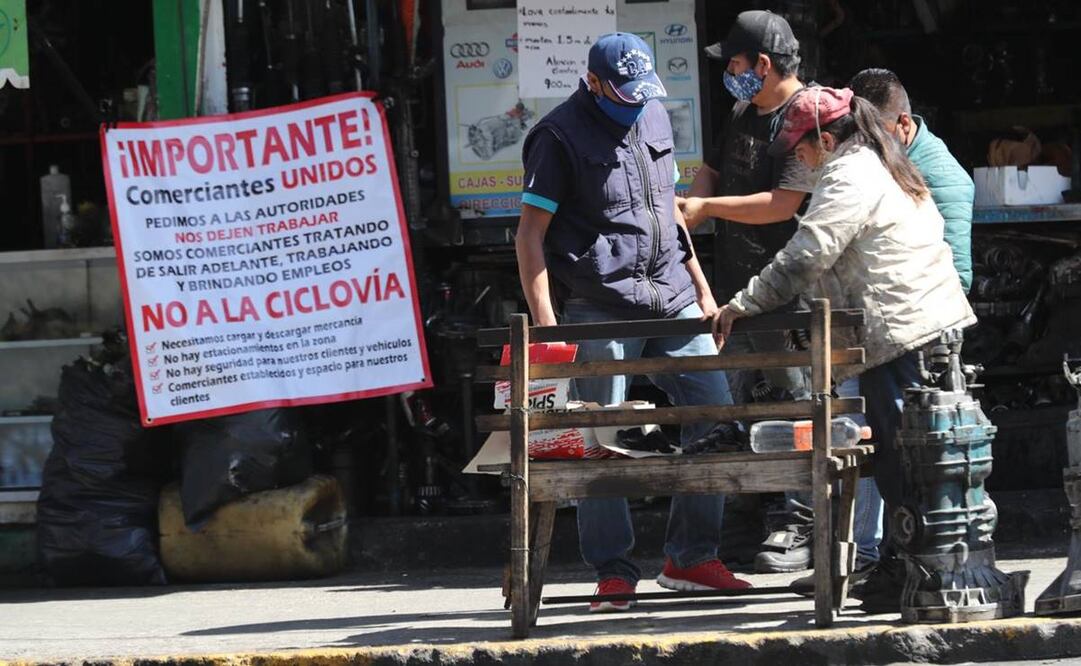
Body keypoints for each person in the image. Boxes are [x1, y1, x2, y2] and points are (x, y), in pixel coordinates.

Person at [710, 86, 976, 610]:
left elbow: (808, 254)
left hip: (903, 335)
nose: (800, 163)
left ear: (825, 140)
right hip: (920, 326)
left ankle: (918, 575)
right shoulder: (883, 163)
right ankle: (905, 571)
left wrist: (742, 303)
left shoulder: (848, 173)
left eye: (801, 152)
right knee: (912, 460)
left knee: (905, 464)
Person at [514, 32, 751, 613]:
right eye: (623, 95)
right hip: (600, 305)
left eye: (642, 94)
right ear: (593, 82)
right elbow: (529, 237)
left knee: (715, 416)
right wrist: (549, 331)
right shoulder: (556, 137)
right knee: (602, 438)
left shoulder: (654, 119)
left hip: (672, 298)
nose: (634, 105)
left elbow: (669, 214)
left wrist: (704, 293)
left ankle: (691, 558)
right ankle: (613, 572)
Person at [680, 9, 819, 574]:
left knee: (794, 409)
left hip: (789, 297)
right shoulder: (742, 110)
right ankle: (743, 520)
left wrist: (706, 209)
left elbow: (785, 204)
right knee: (735, 411)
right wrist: (686, 207)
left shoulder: (804, 118)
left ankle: (798, 523)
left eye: (734, 62)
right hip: (735, 298)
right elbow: (712, 171)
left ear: (762, 64)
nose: (729, 72)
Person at [849, 68, 974, 293]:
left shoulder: (946, 180)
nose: (864, 145)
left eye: (875, 136)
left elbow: (957, 280)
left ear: (904, 124)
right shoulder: (871, 162)